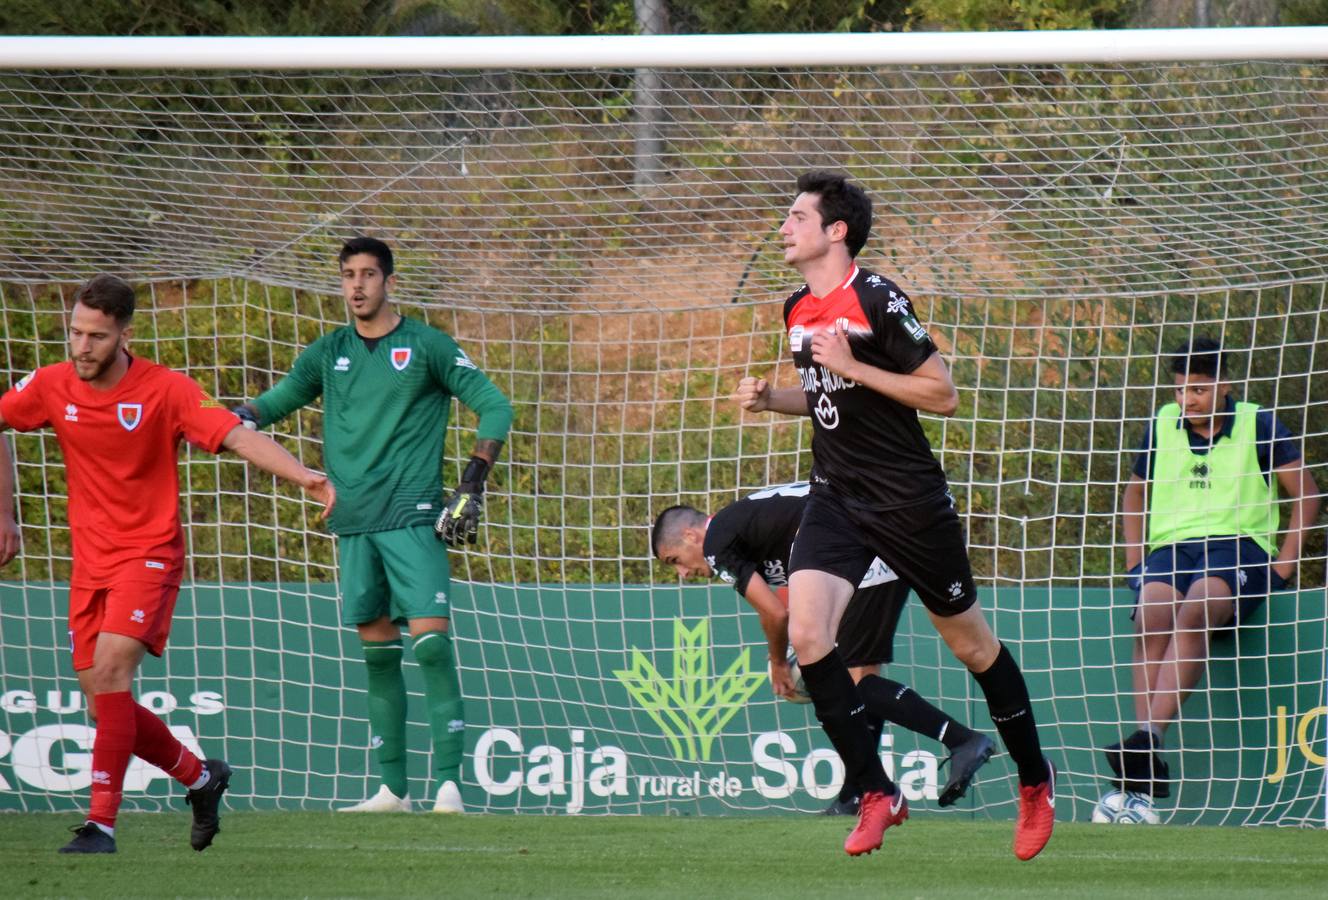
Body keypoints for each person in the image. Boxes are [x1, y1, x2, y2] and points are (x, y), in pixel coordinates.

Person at [736, 171, 1054, 859]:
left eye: (796, 216)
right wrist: (774, 400)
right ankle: (878, 791)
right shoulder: (796, 307)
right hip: (835, 500)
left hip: (910, 504)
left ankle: (1034, 781)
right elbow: (825, 396)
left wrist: (855, 366)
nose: (783, 227)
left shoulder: (878, 298)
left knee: (973, 647)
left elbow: (942, 395)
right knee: (813, 638)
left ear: (835, 231)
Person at [0, 274, 335, 854]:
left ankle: (100, 825)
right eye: (76, 333)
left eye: (97, 337)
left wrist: (304, 475)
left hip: (149, 554)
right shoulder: (52, 385)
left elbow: (235, 435)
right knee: (106, 703)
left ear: (124, 335)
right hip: (90, 562)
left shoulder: (167, 390)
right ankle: (201, 778)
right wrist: (5, 514)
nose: (82, 347)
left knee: (109, 677)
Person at [234, 236, 513, 815]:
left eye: (367, 274)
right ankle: (393, 790)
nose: (356, 286)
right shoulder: (327, 352)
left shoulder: (427, 345)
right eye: (347, 275)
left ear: (388, 281)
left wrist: (472, 480)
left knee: (432, 645)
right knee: (379, 657)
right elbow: (277, 400)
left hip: (413, 517)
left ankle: (449, 787)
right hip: (354, 522)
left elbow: (495, 405)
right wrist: (235, 416)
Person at [651, 483, 995, 815]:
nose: (681, 572)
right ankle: (856, 794)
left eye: (673, 560)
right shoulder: (744, 521)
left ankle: (960, 740)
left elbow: (774, 612)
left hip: (868, 553)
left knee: (853, 685)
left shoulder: (717, 541)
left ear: (690, 536)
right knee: (860, 678)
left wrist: (778, 662)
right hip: (881, 540)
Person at [1106, 337, 1319, 798]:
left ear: (1224, 385)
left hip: (1237, 548)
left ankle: (1148, 738)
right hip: (1171, 549)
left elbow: (1306, 493)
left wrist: (1283, 567)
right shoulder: (1163, 424)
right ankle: (1145, 756)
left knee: (1199, 604)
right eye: (1180, 390)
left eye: (1197, 390)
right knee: (1152, 612)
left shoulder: (1258, 423)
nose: (1187, 400)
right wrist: (1135, 564)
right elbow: (1134, 493)